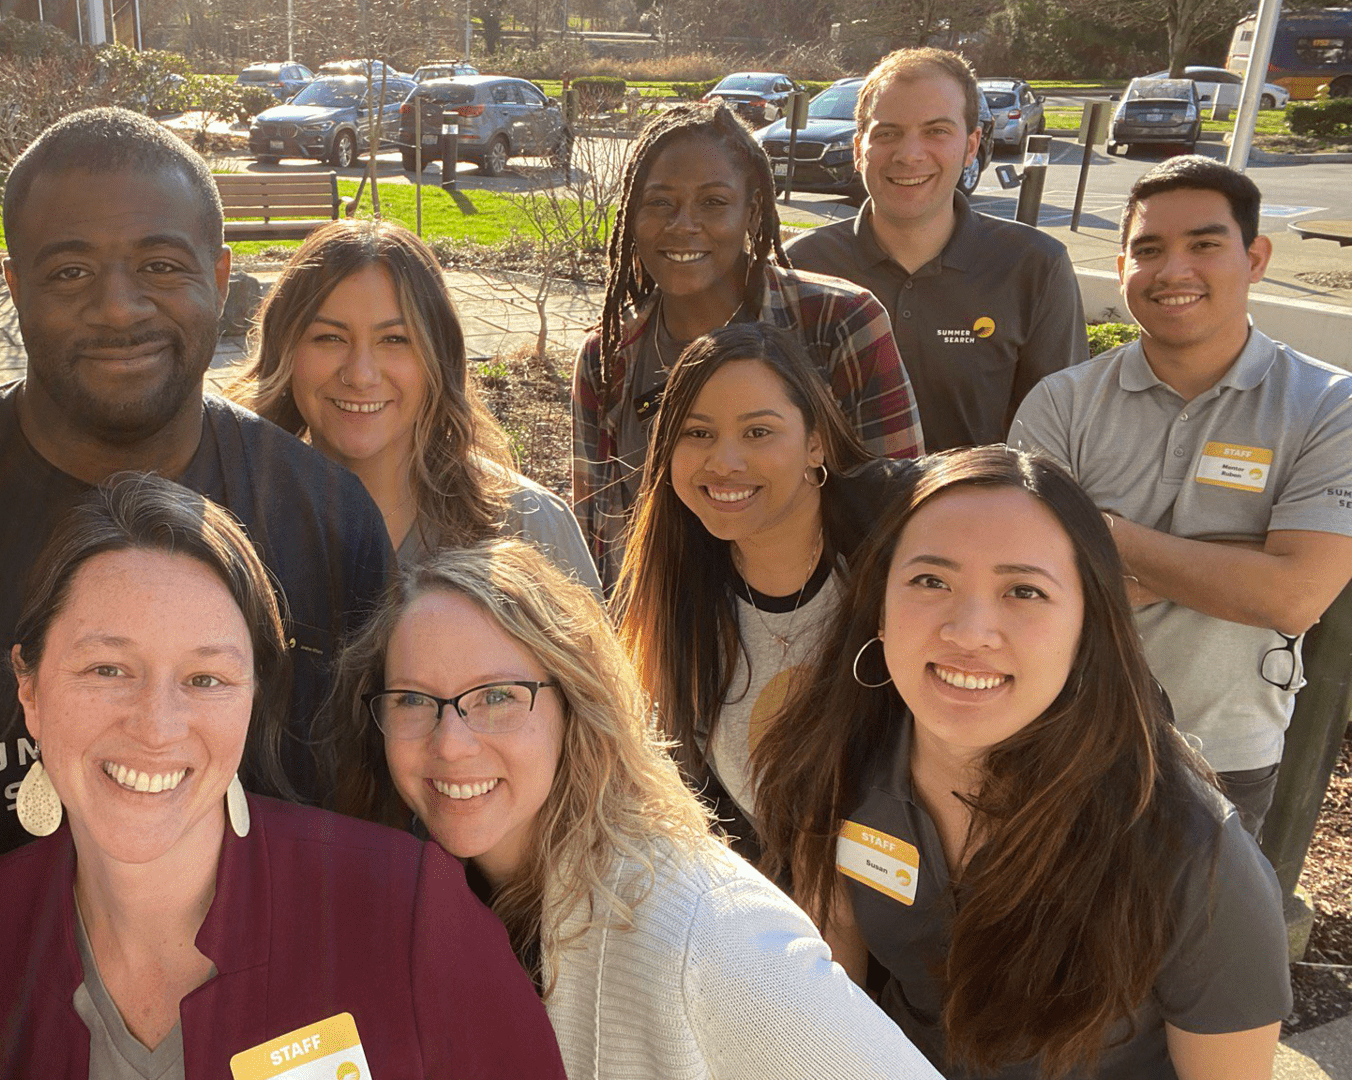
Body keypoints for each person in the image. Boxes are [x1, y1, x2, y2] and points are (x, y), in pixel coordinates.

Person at [0, 107, 394, 918]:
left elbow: (368, 811)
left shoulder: (326, 522)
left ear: (220, 277)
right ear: (14, 287)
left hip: (273, 986)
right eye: (69, 272)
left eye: (161, 266)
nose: (119, 308)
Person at [0, 474, 565, 1078]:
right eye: (107, 669)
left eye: (206, 679)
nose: (157, 726)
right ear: (29, 688)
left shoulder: (408, 911)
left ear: (252, 698)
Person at [752, 446, 1290, 1080]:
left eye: (1024, 591)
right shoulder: (837, 760)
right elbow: (832, 1007)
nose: (970, 631)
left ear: (1087, 628)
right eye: (931, 581)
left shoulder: (1197, 857)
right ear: (879, 607)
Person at [325, 540, 944, 1080]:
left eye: (496, 697)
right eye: (412, 700)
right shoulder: (418, 899)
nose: (451, 744)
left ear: (575, 701)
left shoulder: (706, 935)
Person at [1011, 157, 1352, 839]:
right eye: (1148, 250)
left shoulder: (1329, 407)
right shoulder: (1061, 403)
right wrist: (1241, 561)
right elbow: (1025, 581)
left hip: (1225, 756)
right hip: (1061, 733)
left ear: (1256, 258)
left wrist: (1102, 532)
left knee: (1195, 915)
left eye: (1204, 244)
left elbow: (1292, 596)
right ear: (1121, 269)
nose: (1173, 270)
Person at [574, 103, 924, 590]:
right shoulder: (609, 356)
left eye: (713, 202)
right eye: (659, 203)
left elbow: (901, 516)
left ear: (753, 211)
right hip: (662, 625)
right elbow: (595, 537)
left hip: (817, 625)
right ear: (632, 213)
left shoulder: (838, 325)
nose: (683, 224)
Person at [613, 323, 917, 836]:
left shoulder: (893, 542)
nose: (724, 462)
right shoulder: (682, 581)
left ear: (815, 444)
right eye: (698, 433)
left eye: (758, 432)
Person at [233, 218, 599, 590]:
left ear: (439, 357)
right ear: (285, 351)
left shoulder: (532, 528)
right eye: (330, 337)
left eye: (395, 339)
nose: (361, 375)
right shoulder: (236, 530)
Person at [785, 48, 1087, 452]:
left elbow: (1059, 440)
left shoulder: (1036, 267)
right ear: (859, 149)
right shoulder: (799, 267)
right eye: (887, 133)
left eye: (936, 131)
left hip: (981, 495)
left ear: (971, 146)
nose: (909, 154)